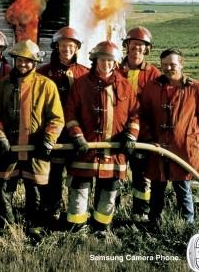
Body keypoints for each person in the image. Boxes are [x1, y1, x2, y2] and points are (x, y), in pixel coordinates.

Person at [0, 39, 64, 238]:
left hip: (36, 150)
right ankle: (4, 229)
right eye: (20, 60)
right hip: (9, 149)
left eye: (28, 61)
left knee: (36, 191)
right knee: (3, 189)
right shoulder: (2, 85)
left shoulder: (46, 85)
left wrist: (48, 139)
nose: (23, 64)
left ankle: (35, 229)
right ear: (14, 60)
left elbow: (56, 118)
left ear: (35, 62)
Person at [64, 41, 139, 236]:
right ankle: (77, 228)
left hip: (113, 154)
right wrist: (77, 136)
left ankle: (101, 228)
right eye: (102, 60)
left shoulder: (125, 86)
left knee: (109, 192)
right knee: (79, 190)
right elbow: (70, 112)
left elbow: (135, 114)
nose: (106, 64)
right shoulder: (81, 85)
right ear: (95, 61)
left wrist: (131, 135)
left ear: (116, 63)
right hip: (85, 152)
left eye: (110, 61)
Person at [140, 48, 199, 226]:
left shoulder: (196, 88)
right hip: (157, 147)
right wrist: (149, 140)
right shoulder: (151, 87)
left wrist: (192, 139)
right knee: (157, 187)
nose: (168, 68)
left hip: (183, 150)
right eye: (164, 65)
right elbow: (143, 116)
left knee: (183, 188)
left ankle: (187, 225)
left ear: (181, 64)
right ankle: (154, 223)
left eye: (172, 64)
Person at [37, 26, 89, 225]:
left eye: (71, 46)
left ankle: (76, 212)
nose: (67, 49)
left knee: (77, 175)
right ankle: (53, 209)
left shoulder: (85, 74)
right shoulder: (43, 73)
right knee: (54, 175)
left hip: (77, 134)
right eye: (63, 45)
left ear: (77, 48)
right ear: (56, 47)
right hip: (54, 134)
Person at [117, 26, 160, 221]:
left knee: (142, 176)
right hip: (116, 132)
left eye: (141, 46)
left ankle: (140, 214)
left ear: (147, 49)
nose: (137, 49)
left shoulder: (153, 74)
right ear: (127, 46)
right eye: (133, 45)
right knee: (115, 173)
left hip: (143, 135)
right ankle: (111, 212)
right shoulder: (115, 70)